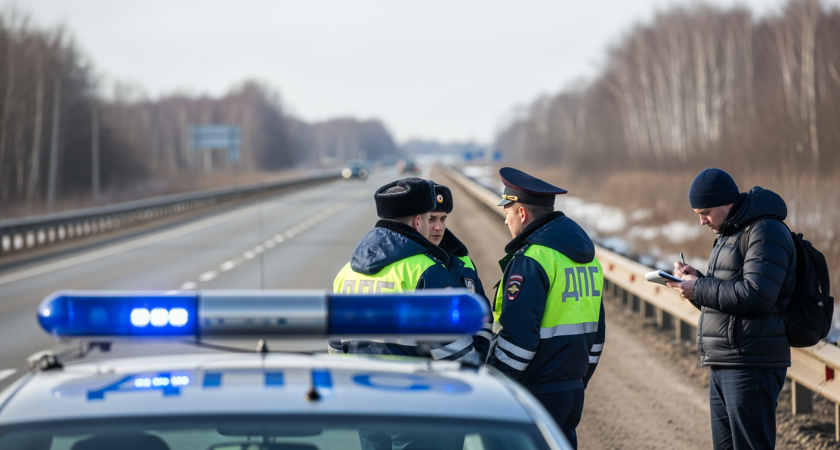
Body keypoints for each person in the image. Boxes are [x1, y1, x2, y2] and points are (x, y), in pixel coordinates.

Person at [666, 168, 796, 450]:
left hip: (752, 363)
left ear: (727, 202)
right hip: (726, 361)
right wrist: (694, 282)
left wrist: (700, 288)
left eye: (706, 213)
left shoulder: (765, 230)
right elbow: (725, 299)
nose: (702, 221)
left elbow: (757, 295)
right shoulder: (731, 231)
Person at [486, 167, 605, 449]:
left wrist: (492, 384)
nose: (505, 220)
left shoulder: (531, 259)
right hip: (571, 390)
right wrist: (576, 380)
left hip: (534, 391)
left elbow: (519, 340)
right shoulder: (589, 260)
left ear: (522, 213)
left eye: (507, 211)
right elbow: (597, 335)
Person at [330, 177, 476, 362]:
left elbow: (335, 349)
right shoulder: (427, 270)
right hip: (410, 380)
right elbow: (457, 356)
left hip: (358, 378)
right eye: (428, 219)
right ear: (417, 222)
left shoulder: (346, 273)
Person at [428, 183, 493, 361]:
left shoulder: (464, 262)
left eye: (443, 219)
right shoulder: (415, 267)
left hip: (469, 367)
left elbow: (483, 314)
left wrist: (479, 356)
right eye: (431, 219)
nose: (438, 227)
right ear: (418, 220)